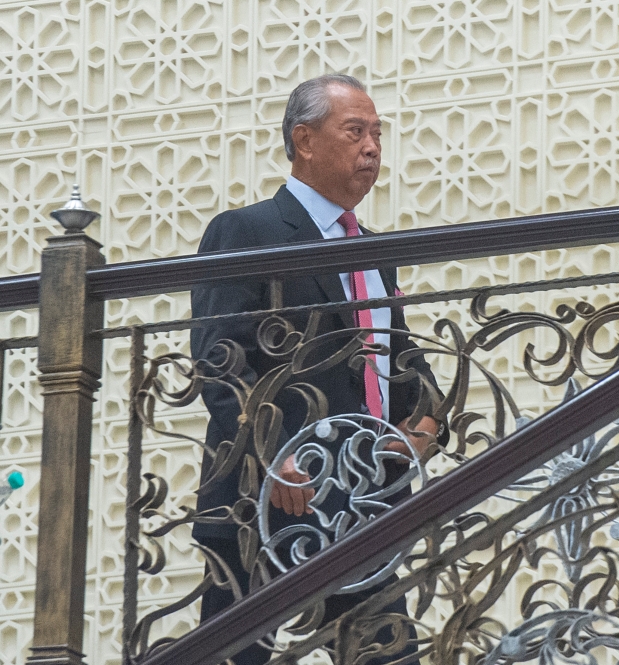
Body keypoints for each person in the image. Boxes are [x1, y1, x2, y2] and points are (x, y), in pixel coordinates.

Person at [190, 73, 445, 664]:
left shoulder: (373, 249)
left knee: (388, 655)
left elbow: (404, 362)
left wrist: (426, 425)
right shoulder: (246, 231)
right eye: (355, 131)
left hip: (363, 502)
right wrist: (277, 456)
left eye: (378, 133)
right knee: (237, 655)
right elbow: (219, 363)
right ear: (304, 140)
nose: (373, 147)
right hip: (266, 499)